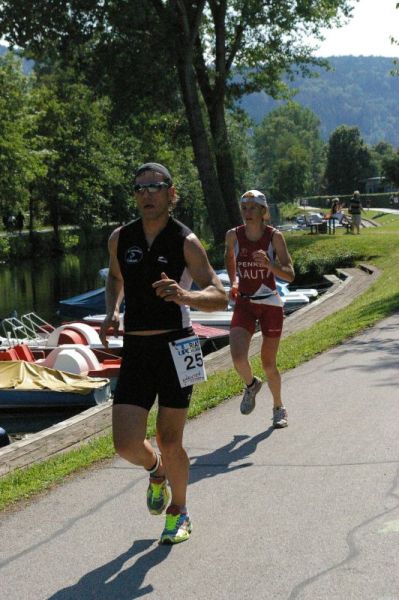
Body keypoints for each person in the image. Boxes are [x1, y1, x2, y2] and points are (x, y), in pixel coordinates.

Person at [99, 162, 227, 545]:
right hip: (136, 347)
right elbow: (115, 279)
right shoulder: (120, 238)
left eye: (155, 187)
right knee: (125, 443)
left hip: (178, 345)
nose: (147, 194)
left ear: (172, 194)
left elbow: (219, 293)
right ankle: (156, 470)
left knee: (170, 438)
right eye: (140, 188)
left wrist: (185, 295)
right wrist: (112, 310)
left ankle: (180, 511)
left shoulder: (185, 241)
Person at [224, 190, 295, 428]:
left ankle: (278, 406)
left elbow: (290, 274)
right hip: (244, 302)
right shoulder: (233, 235)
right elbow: (229, 259)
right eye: (244, 208)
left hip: (270, 304)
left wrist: (269, 265)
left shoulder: (275, 237)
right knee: (237, 357)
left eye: (253, 208)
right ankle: (251, 385)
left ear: (264, 212)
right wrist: (233, 282)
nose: (247, 213)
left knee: (268, 364)